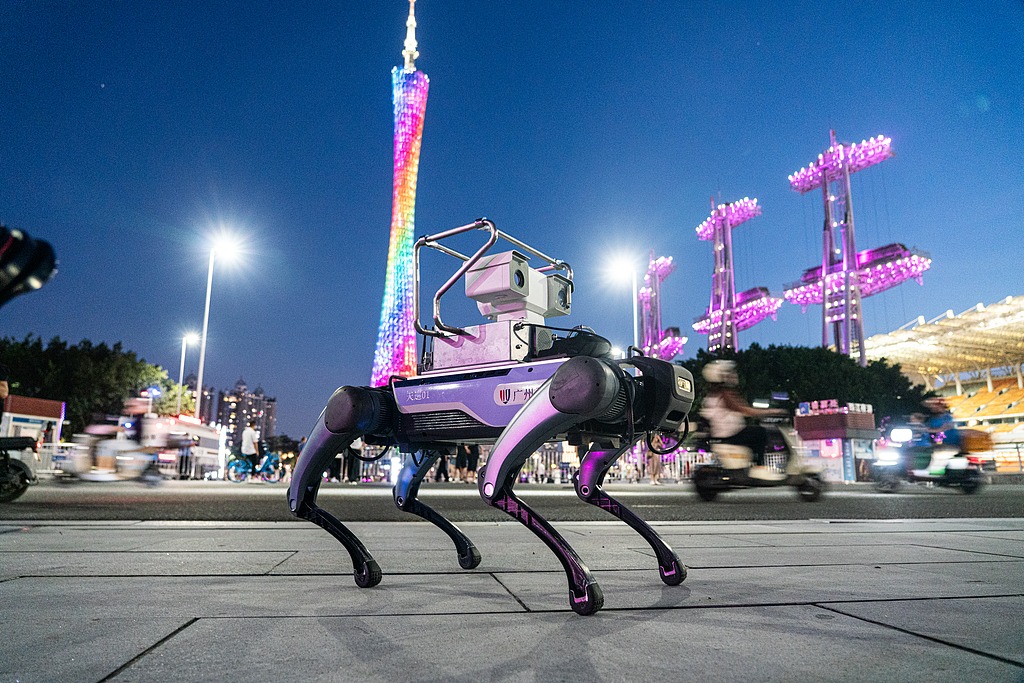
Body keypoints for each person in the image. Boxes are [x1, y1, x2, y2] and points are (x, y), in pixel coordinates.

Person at [700, 360, 786, 479]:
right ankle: (758, 466)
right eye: (728, 373)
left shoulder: (713, 394)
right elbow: (744, 410)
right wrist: (772, 412)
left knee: (756, 432)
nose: (733, 375)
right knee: (760, 433)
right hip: (731, 435)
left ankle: (752, 467)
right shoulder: (725, 394)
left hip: (725, 435)